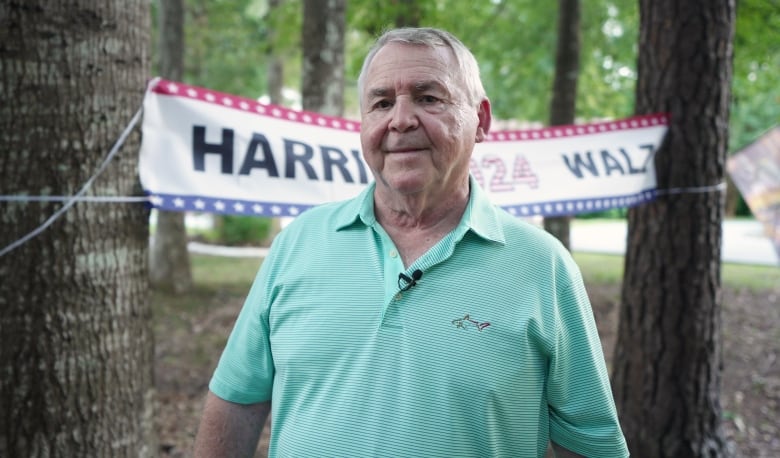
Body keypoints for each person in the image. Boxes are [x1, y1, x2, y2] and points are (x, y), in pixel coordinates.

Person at [194, 27, 629, 458]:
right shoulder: (298, 244)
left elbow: (589, 444)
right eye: (382, 103)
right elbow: (236, 401)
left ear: (481, 120)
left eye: (428, 98)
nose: (400, 120)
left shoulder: (541, 266)